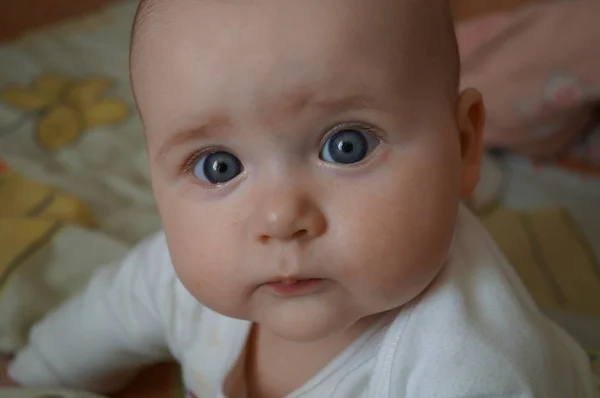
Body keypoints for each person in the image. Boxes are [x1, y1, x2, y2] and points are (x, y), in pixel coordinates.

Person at [1, 0, 597, 396]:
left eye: (346, 147)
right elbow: (107, 314)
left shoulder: (472, 371)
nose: (280, 217)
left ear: (465, 145)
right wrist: (32, 374)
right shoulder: (187, 272)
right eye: (218, 165)